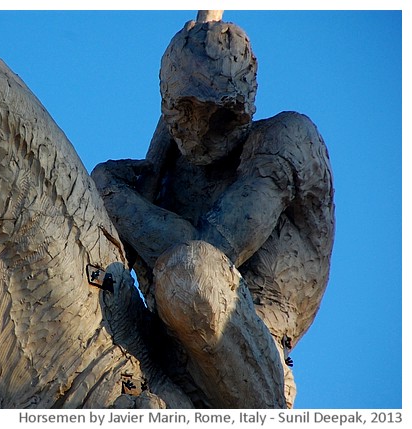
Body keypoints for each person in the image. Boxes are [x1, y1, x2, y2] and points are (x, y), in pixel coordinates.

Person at [92, 14, 335, 408]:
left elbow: (208, 258)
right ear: (166, 103)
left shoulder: (286, 139)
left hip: (245, 358)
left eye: (221, 115)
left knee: (195, 272)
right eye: (184, 111)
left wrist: (114, 198)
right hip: (157, 349)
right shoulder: (168, 163)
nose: (200, 131)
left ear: (246, 103)